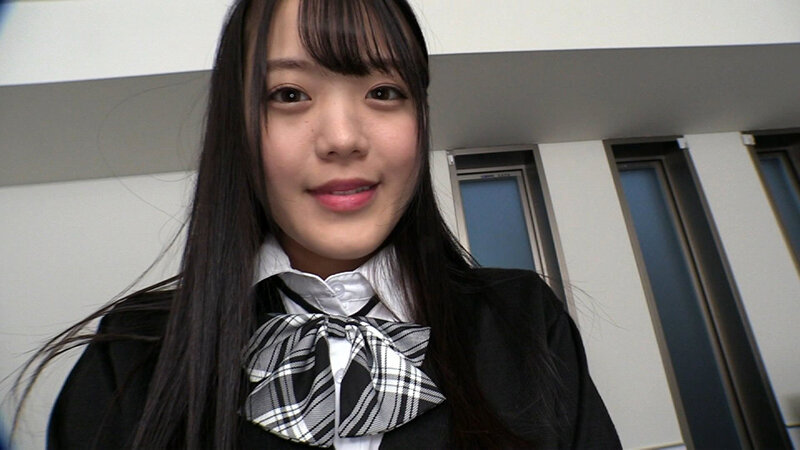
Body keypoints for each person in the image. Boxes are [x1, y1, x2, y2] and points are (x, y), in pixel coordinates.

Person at [19, 0, 621, 448]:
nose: (342, 138)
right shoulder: (131, 353)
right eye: (288, 94)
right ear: (239, 128)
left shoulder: (523, 320)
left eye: (384, 91)